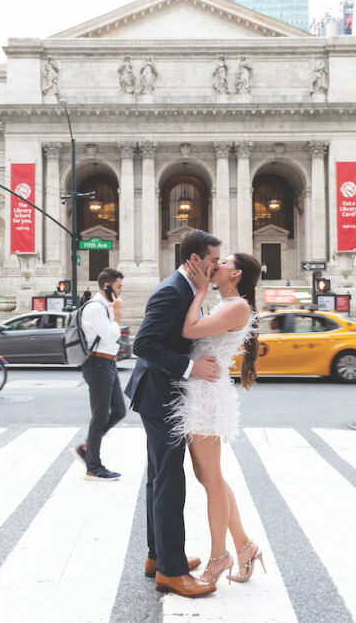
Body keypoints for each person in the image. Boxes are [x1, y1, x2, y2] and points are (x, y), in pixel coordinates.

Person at [125, 229, 222, 598]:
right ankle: (171, 570)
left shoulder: (185, 289)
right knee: (170, 481)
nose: (216, 267)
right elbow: (143, 344)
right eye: (213, 261)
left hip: (162, 393)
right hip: (160, 394)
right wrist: (190, 367)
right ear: (195, 260)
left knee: (159, 478)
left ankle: (157, 556)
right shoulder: (171, 291)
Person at [172, 252, 264, 587]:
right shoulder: (227, 303)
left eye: (222, 262)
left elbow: (190, 330)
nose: (216, 264)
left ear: (235, 273)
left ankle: (218, 555)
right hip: (201, 390)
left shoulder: (237, 305)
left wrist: (197, 291)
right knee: (208, 476)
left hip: (208, 397)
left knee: (211, 480)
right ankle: (245, 546)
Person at [72, 268, 128, 481]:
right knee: (100, 416)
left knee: (119, 411)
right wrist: (119, 312)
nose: (121, 291)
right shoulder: (96, 308)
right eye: (118, 286)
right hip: (98, 364)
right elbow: (112, 336)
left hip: (108, 364)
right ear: (107, 286)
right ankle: (93, 467)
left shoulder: (106, 307)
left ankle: (87, 447)